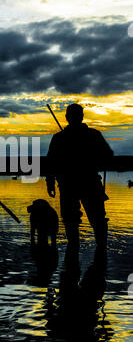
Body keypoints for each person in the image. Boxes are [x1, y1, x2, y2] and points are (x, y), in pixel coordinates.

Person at [46, 103, 113, 251]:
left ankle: (76, 253)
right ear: (81, 117)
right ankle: (99, 253)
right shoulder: (93, 135)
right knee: (95, 220)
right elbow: (108, 156)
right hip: (87, 184)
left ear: (67, 117)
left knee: (75, 221)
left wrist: (50, 183)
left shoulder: (59, 138)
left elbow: (51, 163)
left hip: (72, 185)